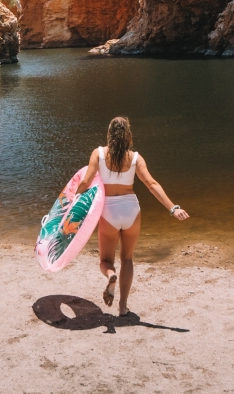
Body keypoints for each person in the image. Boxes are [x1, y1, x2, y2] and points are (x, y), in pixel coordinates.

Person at [76, 116, 189, 315]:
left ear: (109, 133)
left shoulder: (98, 154)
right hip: (131, 210)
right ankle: (123, 306)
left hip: (109, 211)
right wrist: (173, 208)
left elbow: (85, 183)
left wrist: (69, 203)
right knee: (127, 258)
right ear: (128, 135)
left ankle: (110, 274)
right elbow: (152, 184)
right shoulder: (136, 158)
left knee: (105, 260)